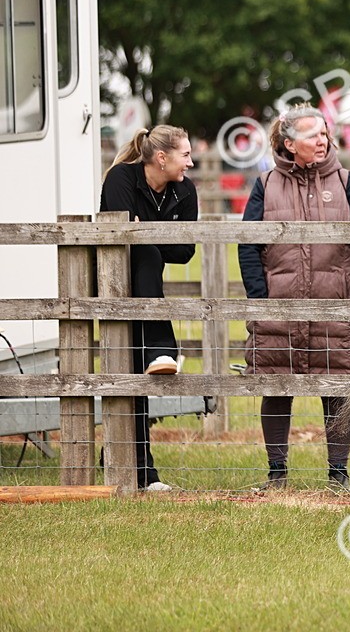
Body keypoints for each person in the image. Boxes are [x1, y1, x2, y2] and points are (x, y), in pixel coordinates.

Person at [238, 106, 350, 491]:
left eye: (324, 134)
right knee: (276, 386)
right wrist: (261, 298)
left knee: (337, 389)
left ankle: (338, 474)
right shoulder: (266, 184)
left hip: (337, 304)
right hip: (279, 306)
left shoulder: (346, 180)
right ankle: (277, 473)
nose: (321, 141)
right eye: (312, 136)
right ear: (289, 144)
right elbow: (247, 245)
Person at [99, 126, 198, 491]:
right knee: (150, 250)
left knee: (135, 372)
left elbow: (186, 250)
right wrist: (155, 236)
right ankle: (162, 348)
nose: (190, 162)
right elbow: (122, 237)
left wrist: (147, 230)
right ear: (162, 158)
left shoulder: (184, 190)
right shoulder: (121, 178)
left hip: (146, 290)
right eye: (185, 155)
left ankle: (136, 466)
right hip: (111, 287)